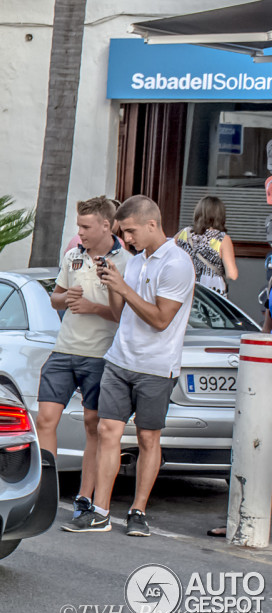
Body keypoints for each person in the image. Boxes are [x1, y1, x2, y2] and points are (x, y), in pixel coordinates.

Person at [64, 195, 195, 537]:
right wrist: (112, 287)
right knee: (108, 431)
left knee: (148, 438)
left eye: (132, 232)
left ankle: (138, 510)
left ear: (153, 224)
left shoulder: (177, 264)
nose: (128, 240)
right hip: (120, 360)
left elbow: (161, 319)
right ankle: (100, 511)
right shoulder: (136, 262)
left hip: (156, 365)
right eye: (125, 233)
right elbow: (122, 315)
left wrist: (123, 286)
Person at [36, 197, 131, 526]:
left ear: (106, 225)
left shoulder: (126, 261)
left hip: (100, 355)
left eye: (86, 227)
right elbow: (54, 298)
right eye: (79, 226)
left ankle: (85, 496)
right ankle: (45, 489)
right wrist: (66, 299)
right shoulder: (73, 255)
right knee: (46, 418)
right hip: (65, 349)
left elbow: (122, 315)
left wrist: (95, 308)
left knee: (93, 426)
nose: (80, 233)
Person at [175, 196, 238, 295]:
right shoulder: (222, 239)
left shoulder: (184, 233)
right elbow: (232, 274)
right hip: (210, 293)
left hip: (183, 288)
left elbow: (167, 253)